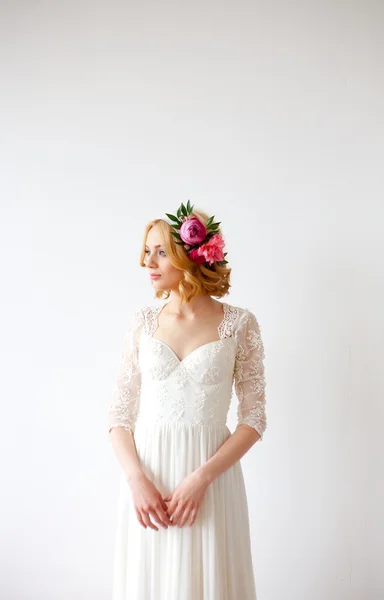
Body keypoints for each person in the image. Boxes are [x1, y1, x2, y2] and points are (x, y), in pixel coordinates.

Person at [108, 200, 267, 600]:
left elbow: (254, 418)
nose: (149, 261)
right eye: (147, 251)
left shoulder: (239, 324)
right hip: (150, 482)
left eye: (161, 251)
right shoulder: (142, 324)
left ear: (191, 255)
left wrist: (201, 479)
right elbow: (119, 414)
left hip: (209, 481)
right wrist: (136, 480)